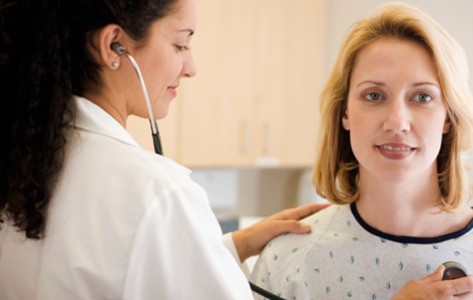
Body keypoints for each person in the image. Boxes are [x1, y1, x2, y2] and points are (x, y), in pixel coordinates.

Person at [0, 0, 327, 299]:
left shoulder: (22, 160)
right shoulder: (158, 194)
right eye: (180, 44)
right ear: (114, 45)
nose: (191, 67)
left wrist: (227, 246)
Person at [251, 2, 473, 299]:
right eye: (374, 95)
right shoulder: (288, 260)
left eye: (422, 97)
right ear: (344, 113)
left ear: (448, 117)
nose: (397, 122)